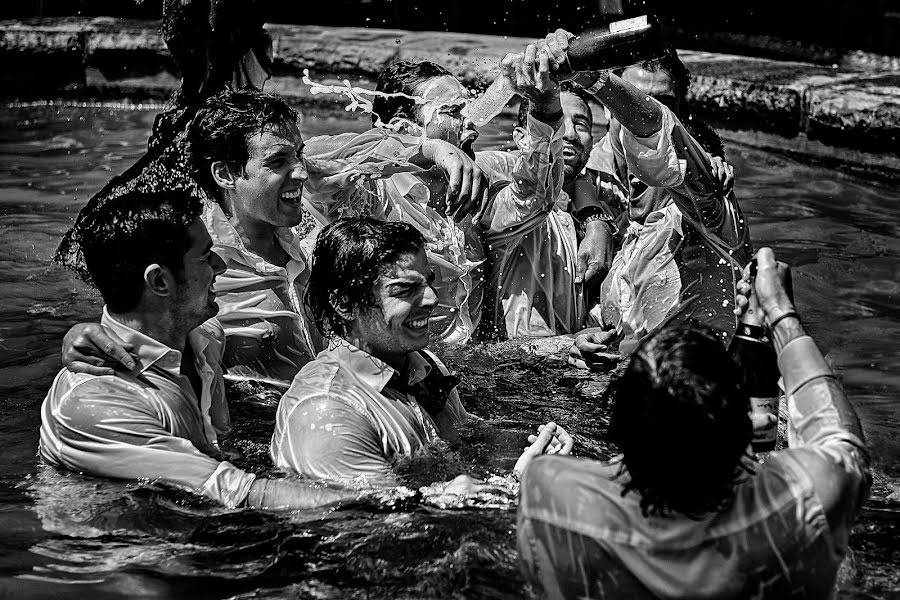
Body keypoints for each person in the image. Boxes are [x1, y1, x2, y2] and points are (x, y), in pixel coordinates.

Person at [60, 88, 489, 382]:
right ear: (226, 174)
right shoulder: (197, 265)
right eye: (280, 161)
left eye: (299, 154)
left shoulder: (304, 229)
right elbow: (130, 325)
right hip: (253, 437)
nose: (301, 172)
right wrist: (78, 341)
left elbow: (359, 149)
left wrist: (436, 149)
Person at [517, 247, 871, 598]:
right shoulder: (800, 510)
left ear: (622, 429)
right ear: (740, 434)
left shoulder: (550, 494)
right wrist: (782, 316)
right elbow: (843, 444)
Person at [39, 189, 365, 510]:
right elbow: (238, 492)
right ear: (160, 282)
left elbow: (223, 457)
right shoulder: (96, 401)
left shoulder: (204, 336)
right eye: (205, 255)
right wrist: (386, 502)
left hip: (194, 526)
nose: (220, 265)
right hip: (128, 556)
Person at [302, 35, 613, 342]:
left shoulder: (475, 193)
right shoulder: (371, 195)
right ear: (402, 126)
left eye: (470, 110)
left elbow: (534, 197)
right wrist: (430, 150)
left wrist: (545, 106)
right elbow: (309, 159)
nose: (472, 126)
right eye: (454, 112)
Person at [270, 217, 572, 489]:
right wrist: (516, 483)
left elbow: (466, 439)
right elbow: (366, 526)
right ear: (345, 304)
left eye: (427, 282)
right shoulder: (327, 409)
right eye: (404, 289)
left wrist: (531, 445)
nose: (430, 298)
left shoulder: (423, 364)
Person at [561, 41, 751, 354]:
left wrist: (590, 77)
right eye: (632, 95)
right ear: (608, 105)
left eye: (663, 102)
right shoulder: (581, 168)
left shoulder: (703, 196)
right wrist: (594, 217)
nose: (642, 106)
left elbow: (661, 133)